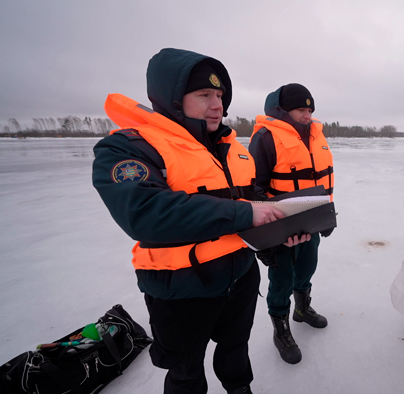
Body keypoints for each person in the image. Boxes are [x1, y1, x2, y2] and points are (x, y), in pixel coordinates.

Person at [92, 48, 307, 394]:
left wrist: (282, 231)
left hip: (239, 277)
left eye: (220, 95)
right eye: (204, 94)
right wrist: (246, 212)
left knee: (235, 352)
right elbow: (145, 212)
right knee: (185, 370)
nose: (217, 104)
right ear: (173, 99)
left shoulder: (232, 148)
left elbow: (253, 200)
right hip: (180, 291)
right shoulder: (128, 148)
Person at [248, 83, 334, 365]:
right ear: (283, 111)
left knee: (308, 267)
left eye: (310, 110)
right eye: (301, 110)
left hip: (311, 220)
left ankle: (302, 309)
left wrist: (327, 214)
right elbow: (253, 189)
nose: (307, 115)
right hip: (280, 226)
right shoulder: (265, 138)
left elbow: (322, 178)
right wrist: (266, 236)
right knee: (281, 278)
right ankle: (280, 327)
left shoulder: (315, 136)